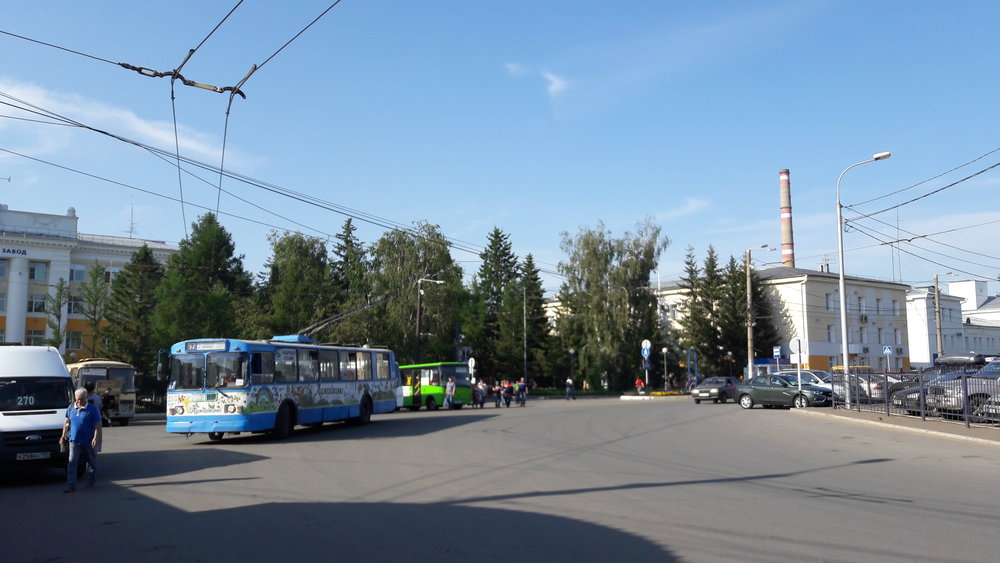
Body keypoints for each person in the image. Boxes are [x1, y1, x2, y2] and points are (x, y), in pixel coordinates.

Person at [60, 388, 102, 493]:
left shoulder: (92, 409)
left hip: (88, 441)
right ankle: (71, 485)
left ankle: (91, 480)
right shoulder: (70, 408)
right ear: (75, 397)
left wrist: (95, 438)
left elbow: (97, 425)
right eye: (77, 399)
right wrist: (63, 436)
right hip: (74, 440)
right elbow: (66, 422)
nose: (79, 401)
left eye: (82, 399)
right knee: (72, 462)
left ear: (86, 398)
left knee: (91, 462)